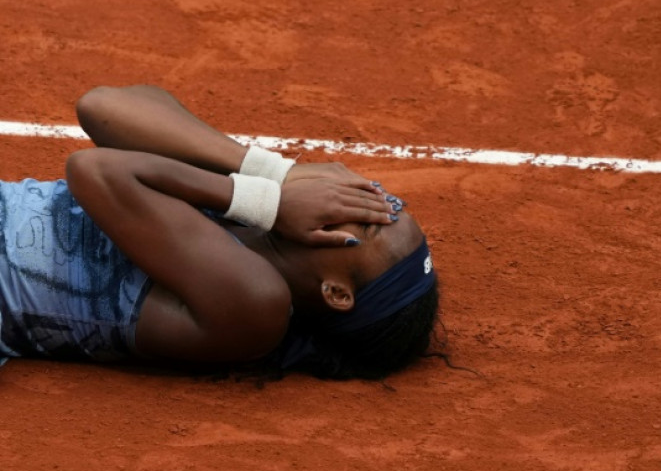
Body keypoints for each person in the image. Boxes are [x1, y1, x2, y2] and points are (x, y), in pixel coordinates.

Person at [0, 85, 439, 380]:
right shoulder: (250, 214)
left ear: (336, 293)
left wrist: (266, 200)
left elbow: (93, 170)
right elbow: (102, 105)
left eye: (369, 223)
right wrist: (274, 174)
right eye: (386, 201)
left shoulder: (257, 306)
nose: (369, 200)